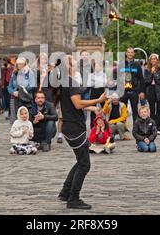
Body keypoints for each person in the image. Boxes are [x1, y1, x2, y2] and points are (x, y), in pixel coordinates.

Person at [55, 55, 107, 210]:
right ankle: (73, 199)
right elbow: (77, 104)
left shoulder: (66, 81)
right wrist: (97, 100)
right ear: (69, 65)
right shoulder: (70, 82)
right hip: (74, 129)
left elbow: (72, 104)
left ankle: (65, 192)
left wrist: (91, 108)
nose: (76, 60)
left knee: (80, 160)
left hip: (70, 127)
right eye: (72, 59)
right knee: (84, 164)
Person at [119, 47, 145, 129]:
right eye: (129, 52)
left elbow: (141, 79)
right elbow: (117, 77)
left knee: (135, 110)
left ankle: (136, 128)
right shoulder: (121, 64)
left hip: (134, 90)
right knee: (123, 110)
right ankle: (122, 128)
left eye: (132, 52)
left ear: (133, 54)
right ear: (126, 53)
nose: (130, 54)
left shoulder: (137, 65)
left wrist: (142, 91)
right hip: (123, 91)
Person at [143, 53, 160, 134]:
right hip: (151, 91)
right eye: (152, 59)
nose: (153, 60)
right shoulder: (147, 70)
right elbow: (146, 81)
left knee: (159, 110)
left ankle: (158, 128)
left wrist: (155, 73)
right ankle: (152, 127)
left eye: (155, 59)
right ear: (150, 61)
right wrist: (151, 73)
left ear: (157, 60)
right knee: (152, 110)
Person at [8, 57, 36, 124]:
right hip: (15, 99)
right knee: (17, 119)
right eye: (19, 64)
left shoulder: (29, 73)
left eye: (22, 64)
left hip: (26, 99)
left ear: (25, 64)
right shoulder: (14, 74)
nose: (20, 66)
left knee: (27, 119)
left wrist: (21, 91)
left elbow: (32, 86)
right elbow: (9, 87)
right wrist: (13, 92)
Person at [87, 60, 107, 128]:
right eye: (96, 66)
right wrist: (99, 82)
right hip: (93, 91)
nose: (97, 67)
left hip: (101, 91)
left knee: (104, 108)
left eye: (99, 66)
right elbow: (89, 84)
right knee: (93, 109)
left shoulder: (104, 74)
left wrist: (95, 81)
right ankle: (92, 126)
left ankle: (105, 124)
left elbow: (105, 83)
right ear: (94, 67)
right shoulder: (91, 74)